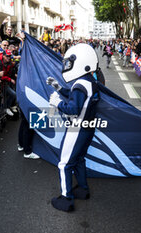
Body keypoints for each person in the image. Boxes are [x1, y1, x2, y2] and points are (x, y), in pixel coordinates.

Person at [47, 43, 99, 212]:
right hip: (88, 128)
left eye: (70, 62)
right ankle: (83, 189)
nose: (68, 66)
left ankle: (66, 198)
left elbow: (74, 110)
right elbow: (77, 97)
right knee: (79, 159)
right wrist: (58, 88)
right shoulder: (91, 81)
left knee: (64, 164)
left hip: (77, 129)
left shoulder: (80, 84)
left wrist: (57, 102)